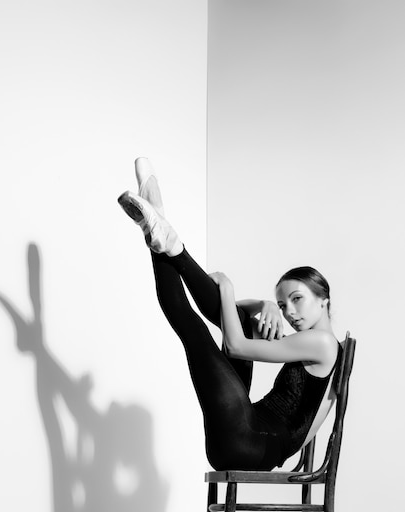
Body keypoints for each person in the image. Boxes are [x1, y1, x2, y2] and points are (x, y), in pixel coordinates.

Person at [117, 158, 341, 471]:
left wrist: (227, 287)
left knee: (192, 328)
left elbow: (236, 346)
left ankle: (166, 237)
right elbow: (237, 320)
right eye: (283, 303)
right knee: (234, 318)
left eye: (297, 299)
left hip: (251, 443)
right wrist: (262, 306)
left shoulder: (322, 344)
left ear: (324, 300)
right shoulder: (310, 343)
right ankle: (159, 230)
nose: (289, 311)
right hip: (244, 430)